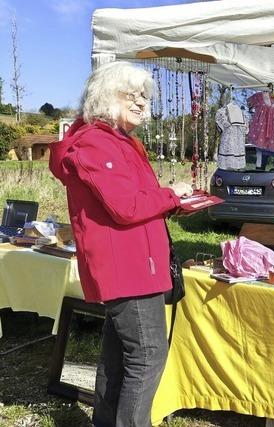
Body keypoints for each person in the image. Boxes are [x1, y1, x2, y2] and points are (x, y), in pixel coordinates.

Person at [49, 61, 193, 427]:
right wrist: (170, 195)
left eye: (144, 96)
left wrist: (172, 202)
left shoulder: (118, 141)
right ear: (106, 97)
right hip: (128, 270)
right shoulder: (97, 143)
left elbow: (135, 200)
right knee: (147, 356)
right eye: (132, 95)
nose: (142, 102)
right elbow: (125, 207)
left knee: (118, 359)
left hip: (137, 265)